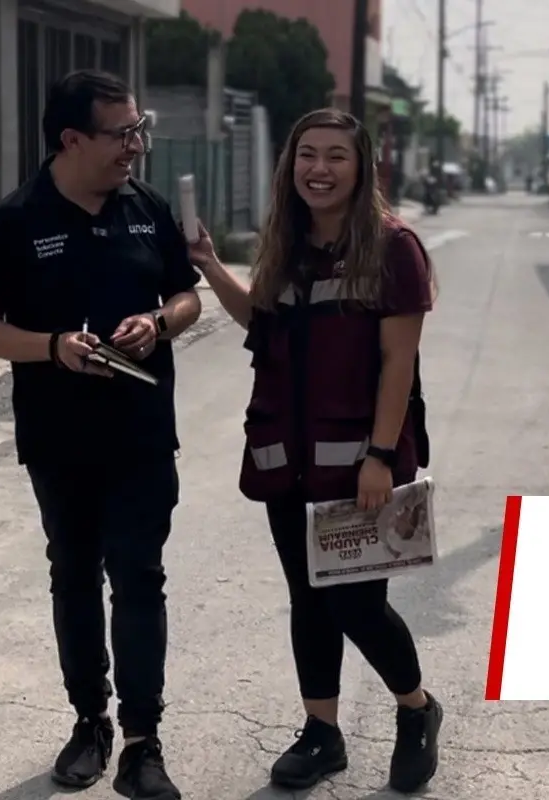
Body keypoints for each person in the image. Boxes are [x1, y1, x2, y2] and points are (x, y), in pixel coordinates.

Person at [0, 69, 201, 800]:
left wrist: (157, 323)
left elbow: (187, 295)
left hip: (141, 433)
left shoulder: (146, 208)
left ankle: (142, 740)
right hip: (59, 439)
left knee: (139, 579)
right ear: (72, 140)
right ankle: (89, 722)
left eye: (139, 131)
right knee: (73, 576)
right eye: (122, 134)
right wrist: (56, 346)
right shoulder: (14, 222)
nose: (136, 146)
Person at [189, 107, 443, 794]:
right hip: (286, 455)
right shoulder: (288, 243)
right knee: (307, 597)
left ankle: (416, 710)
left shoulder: (393, 247)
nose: (319, 169)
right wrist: (211, 266)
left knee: (355, 604)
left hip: (356, 461)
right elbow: (264, 324)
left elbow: (399, 363)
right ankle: (322, 732)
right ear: (289, 164)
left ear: (361, 169)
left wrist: (381, 457)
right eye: (307, 154)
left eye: (336, 156)